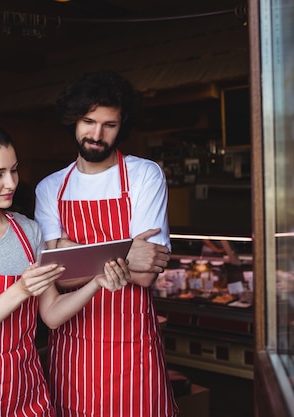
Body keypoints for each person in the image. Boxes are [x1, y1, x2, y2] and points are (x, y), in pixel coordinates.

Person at [0, 124, 129, 417]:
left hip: (26, 389)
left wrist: (96, 282)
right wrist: (20, 290)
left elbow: (51, 313)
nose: (11, 183)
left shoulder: (28, 231)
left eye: (14, 170)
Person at [34, 70, 179, 416]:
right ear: (73, 120)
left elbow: (146, 274)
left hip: (132, 347)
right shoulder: (50, 188)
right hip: (74, 348)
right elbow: (52, 275)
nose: (96, 134)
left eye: (109, 124)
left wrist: (73, 252)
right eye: (88, 121)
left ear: (122, 126)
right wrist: (128, 251)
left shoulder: (145, 175)